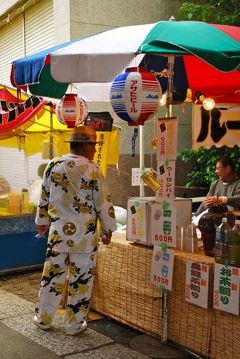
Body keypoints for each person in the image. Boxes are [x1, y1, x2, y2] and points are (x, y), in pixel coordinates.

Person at [34, 125, 116, 335]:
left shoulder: (53, 165)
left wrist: (41, 221)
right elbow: (103, 203)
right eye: (93, 145)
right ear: (87, 146)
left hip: (58, 234)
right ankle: (73, 325)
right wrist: (108, 229)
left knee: (51, 277)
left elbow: (44, 197)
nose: (93, 150)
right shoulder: (93, 170)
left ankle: (43, 320)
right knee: (81, 279)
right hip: (84, 236)